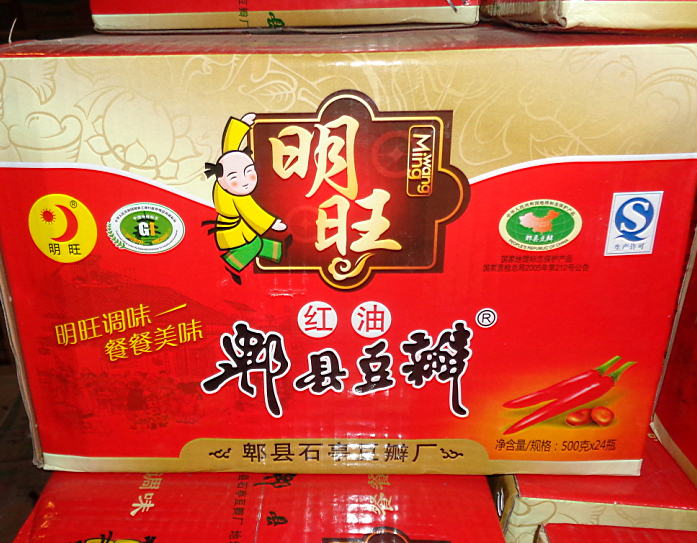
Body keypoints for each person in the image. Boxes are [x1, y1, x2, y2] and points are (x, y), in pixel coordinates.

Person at [203, 114, 291, 285]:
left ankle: (279, 251)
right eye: (235, 177)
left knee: (257, 243)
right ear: (222, 179)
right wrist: (273, 224)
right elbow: (252, 212)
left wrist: (241, 125)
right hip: (233, 229)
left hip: (238, 227)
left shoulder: (227, 173)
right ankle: (231, 266)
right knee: (254, 244)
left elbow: (230, 149)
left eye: (249, 172)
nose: (244, 181)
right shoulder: (238, 197)